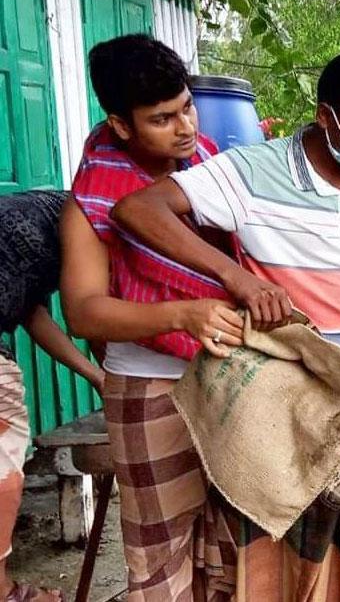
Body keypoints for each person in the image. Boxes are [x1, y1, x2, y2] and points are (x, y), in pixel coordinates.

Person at [113, 48, 340, 600]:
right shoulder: (252, 171)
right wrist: (239, 279)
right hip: (296, 402)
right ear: (325, 116)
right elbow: (137, 211)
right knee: (288, 552)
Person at [60, 35, 244, 601]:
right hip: (148, 386)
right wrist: (181, 313)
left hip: (227, 373)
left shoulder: (208, 164)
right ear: (120, 124)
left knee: (235, 540)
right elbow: (84, 313)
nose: (185, 127)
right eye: (162, 119)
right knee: (160, 549)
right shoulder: (91, 202)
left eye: (186, 107)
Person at [1, 191, 105, 602]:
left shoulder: (44, 218)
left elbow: (33, 314)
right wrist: (109, 372)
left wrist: (95, 376)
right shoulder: (92, 227)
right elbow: (92, 315)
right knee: (3, 457)